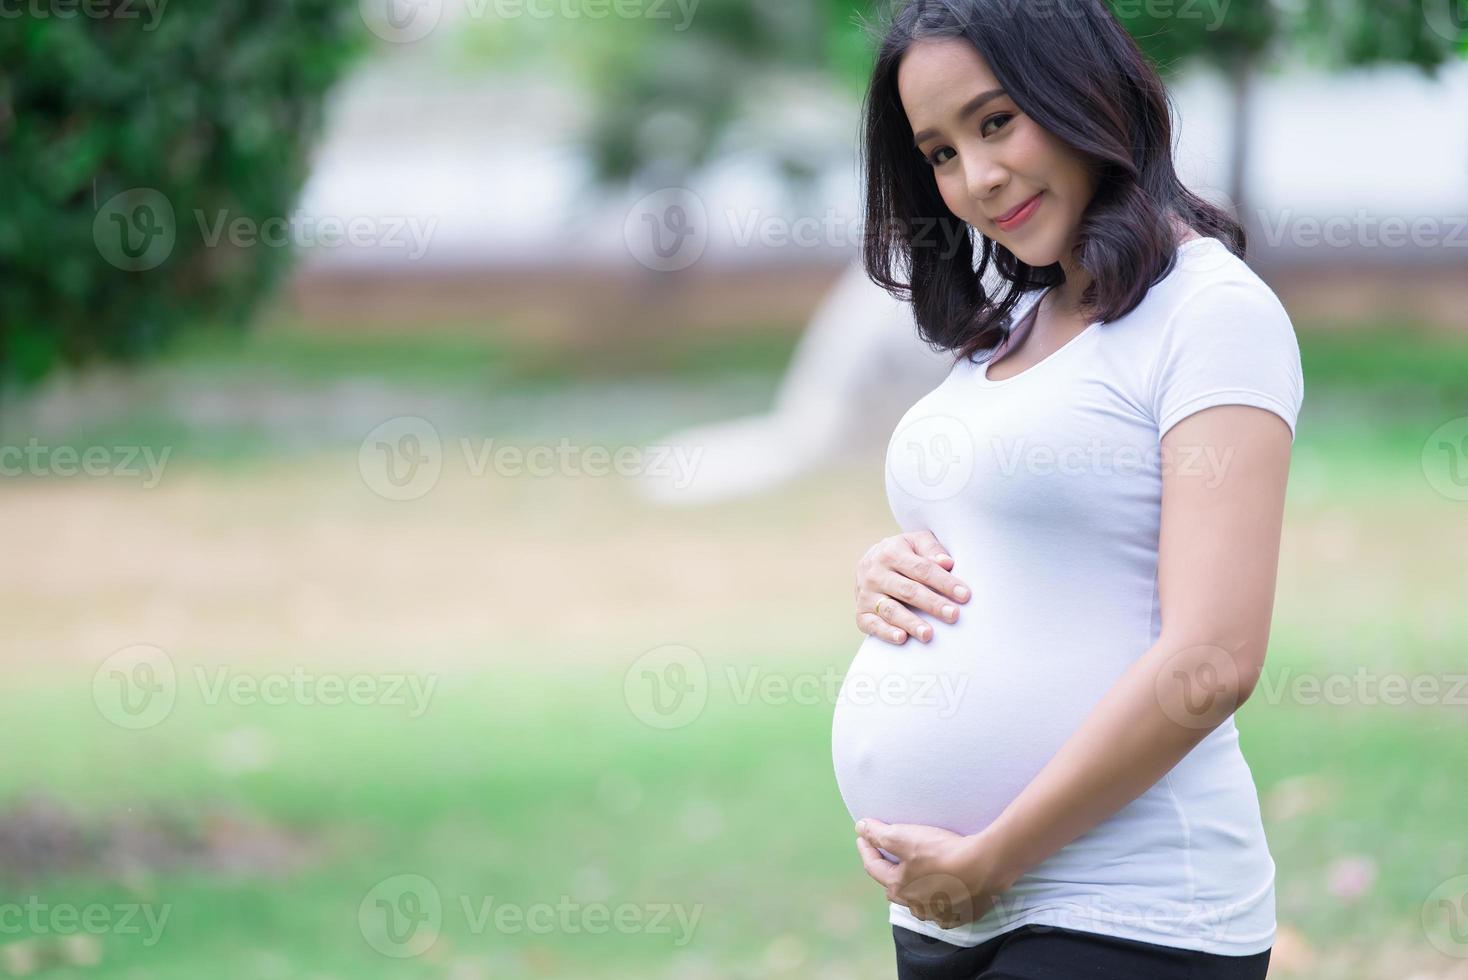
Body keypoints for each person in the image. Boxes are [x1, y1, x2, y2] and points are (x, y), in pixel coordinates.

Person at [828, 2, 1304, 978]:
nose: (975, 176)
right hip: (951, 909)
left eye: (994, 120)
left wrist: (991, 857)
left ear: (1081, 87)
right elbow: (1021, 546)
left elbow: (1212, 659)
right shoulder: (1016, 315)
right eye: (941, 152)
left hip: (1129, 911)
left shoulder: (1210, 315)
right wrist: (889, 567)